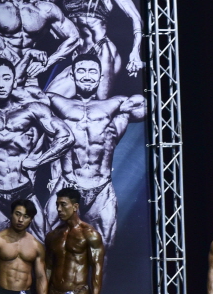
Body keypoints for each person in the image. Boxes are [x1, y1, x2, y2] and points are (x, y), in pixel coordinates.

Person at [0, 58, 72, 244]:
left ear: (14, 81)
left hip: (23, 190)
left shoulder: (32, 110)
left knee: (44, 248)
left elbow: (67, 137)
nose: (1, 84)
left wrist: (38, 161)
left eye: (6, 78)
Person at [46, 53, 146, 249]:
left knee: (103, 249)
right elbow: (24, 99)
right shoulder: (56, 102)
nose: (87, 76)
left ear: (101, 77)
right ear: (72, 75)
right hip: (67, 184)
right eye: (81, 71)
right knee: (49, 246)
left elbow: (148, 105)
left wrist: (144, 67)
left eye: (92, 71)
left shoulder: (115, 104)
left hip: (101, 188)